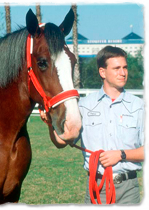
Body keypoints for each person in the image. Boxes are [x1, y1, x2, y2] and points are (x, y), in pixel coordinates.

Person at [40, 46, 148, 205]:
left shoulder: (139, 107)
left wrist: (121, 154)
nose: (123, 72)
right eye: (117, 68)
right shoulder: (83, 106)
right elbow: (62, 142)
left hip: (129, 189)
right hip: (96, 188)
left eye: (124, 67)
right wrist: (50, 125)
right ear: (102, 72)